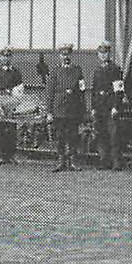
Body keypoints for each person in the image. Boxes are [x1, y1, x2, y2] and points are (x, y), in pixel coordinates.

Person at [44, 43, 87, 172]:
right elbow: (49, 92)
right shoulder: (55, 71)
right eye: (63, 54)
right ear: (59, 56)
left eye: (67, 54)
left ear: (71, 55)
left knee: (73, 135)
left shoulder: (77, 70)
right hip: (59, 109)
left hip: (73, 109)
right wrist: (49, 111)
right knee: (60, 136)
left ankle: (72, 161)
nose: (65, 56)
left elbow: (82, 91)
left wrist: (82, 109)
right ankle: (61, 161)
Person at [89, 40, 128, 170]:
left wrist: (116, 106)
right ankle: (104, 161)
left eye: (105, 53)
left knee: (114, 135)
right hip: (100, 106)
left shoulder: (115, 69)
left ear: (109, 54)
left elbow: (119, 90)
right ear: (98, 55)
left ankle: (117, 162)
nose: (103, 55)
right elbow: (94, 91)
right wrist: (93, 107)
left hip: (110, 106)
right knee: (101, 134)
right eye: (101, 53)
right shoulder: (97, 70)